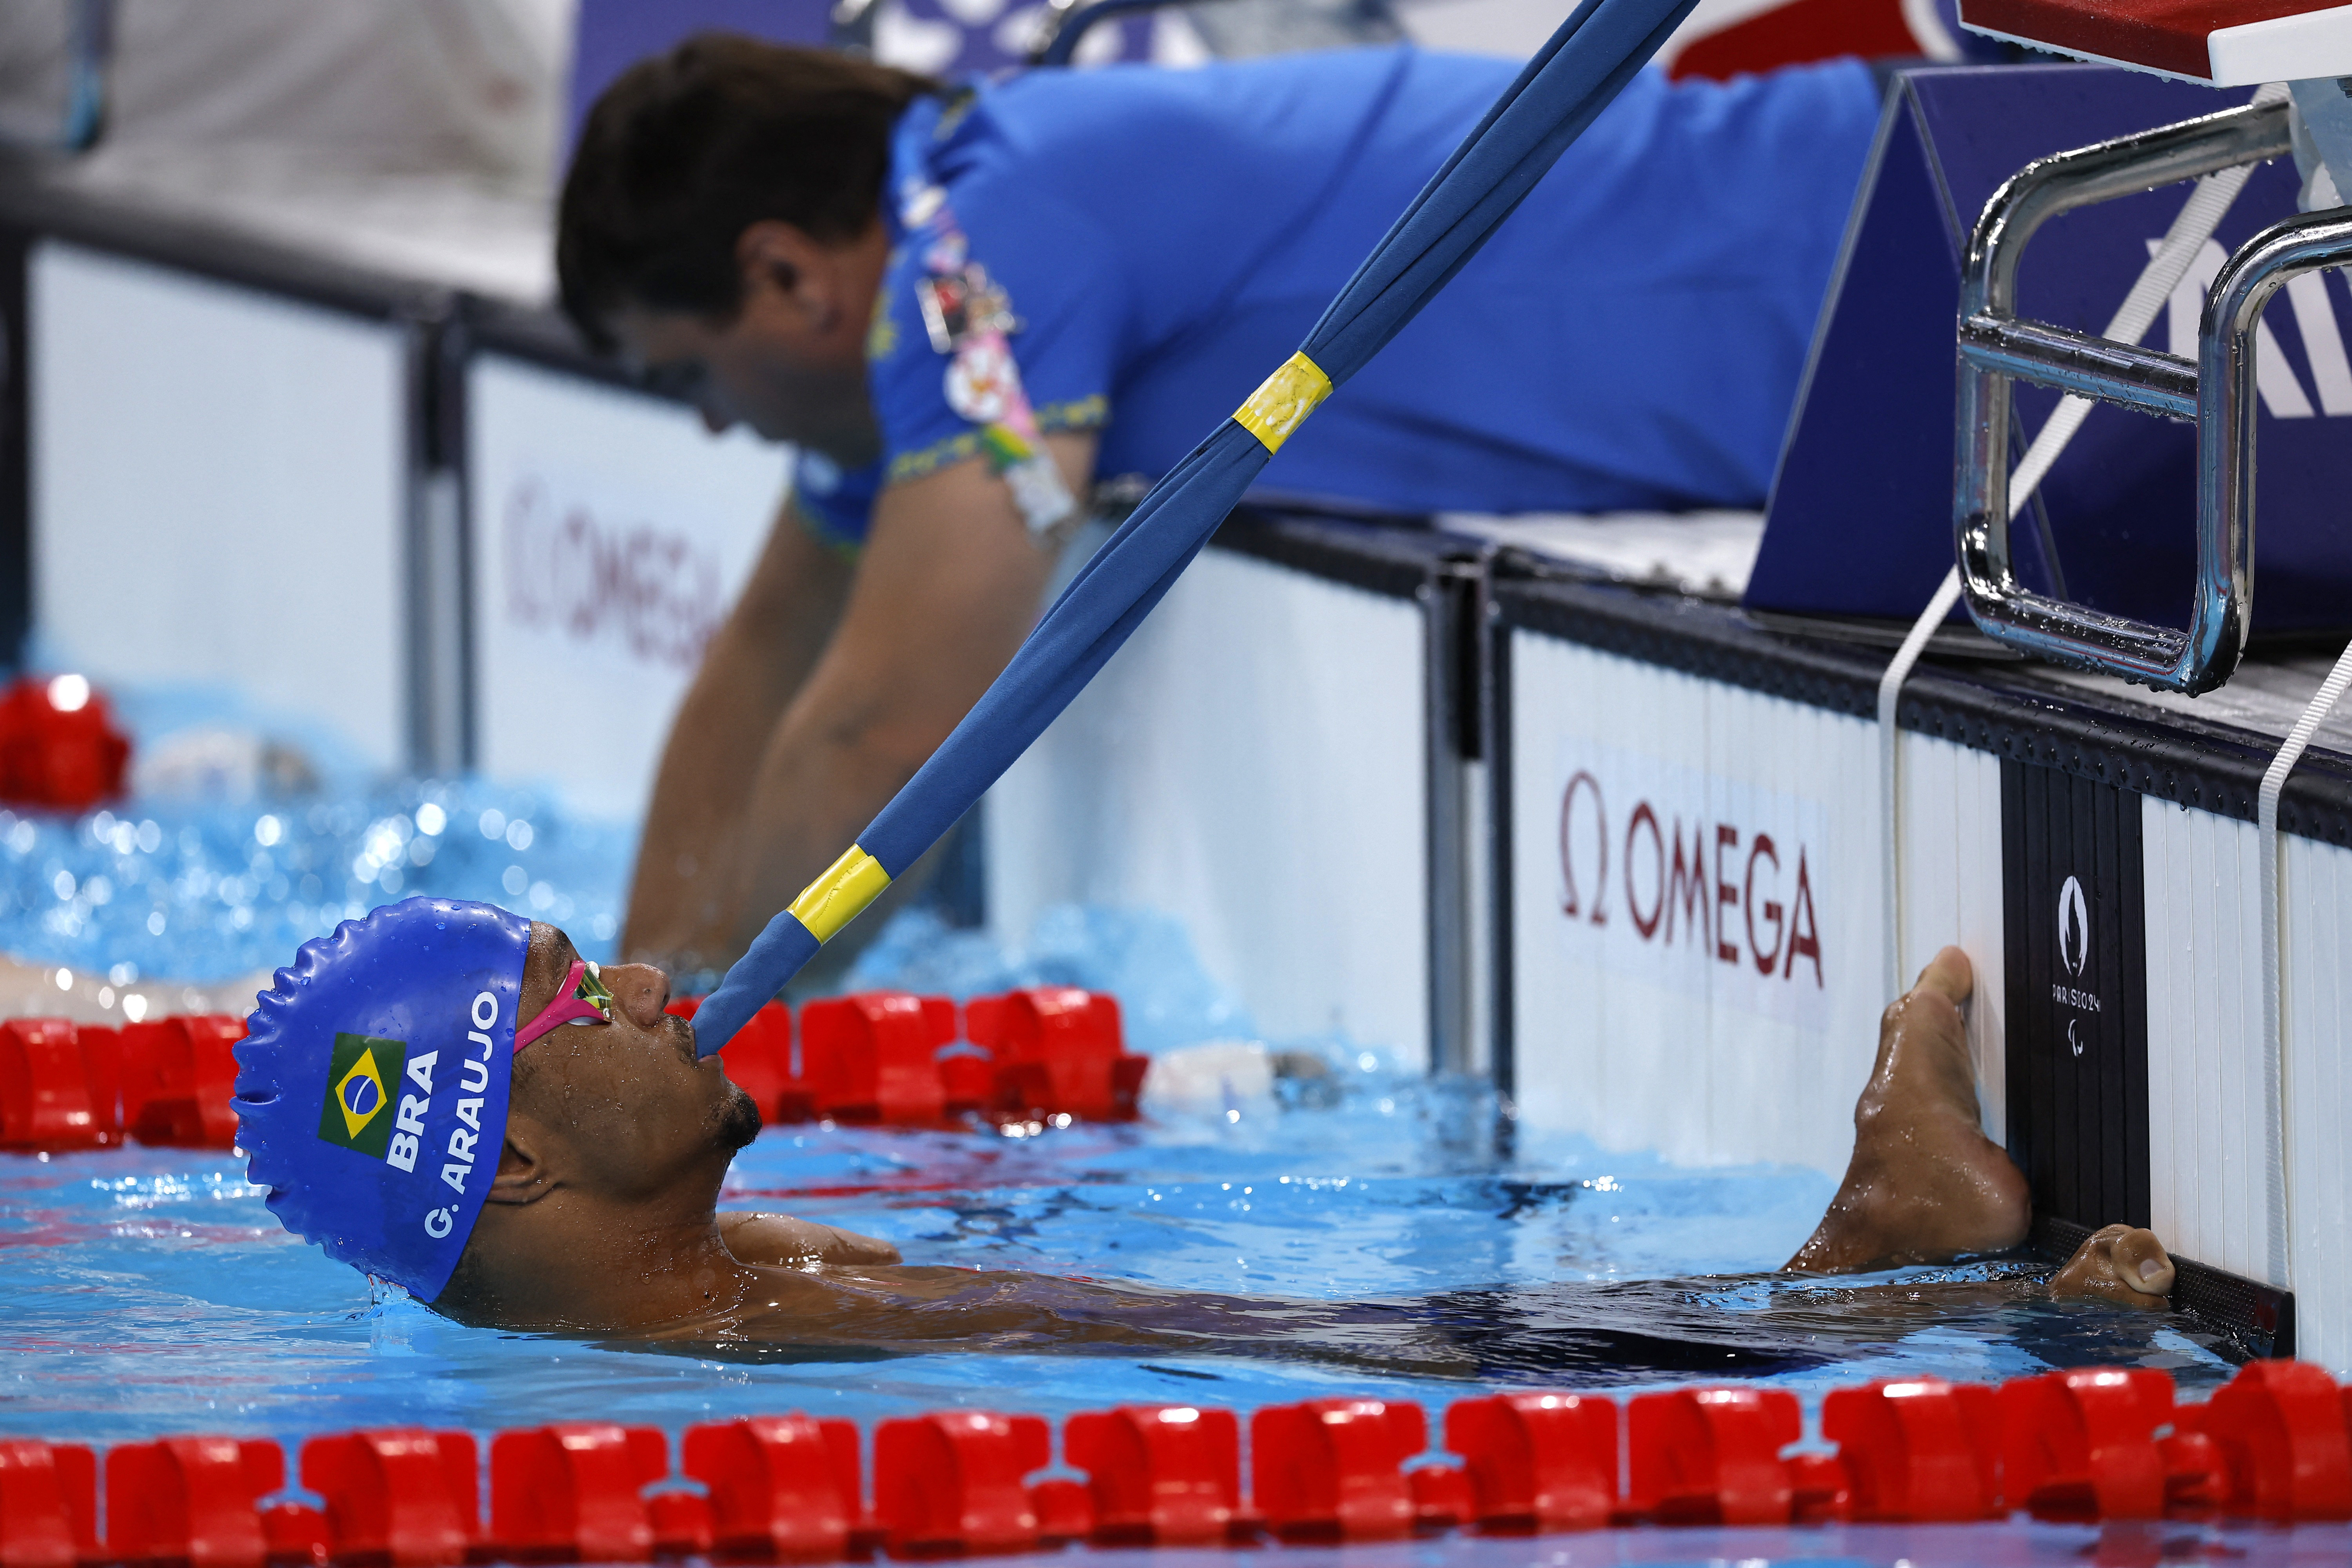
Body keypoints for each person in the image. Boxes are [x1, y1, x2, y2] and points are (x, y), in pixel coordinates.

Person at [554, 36, 1887, 974]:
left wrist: (679, 1067)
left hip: (1915, 250)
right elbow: (766, 648)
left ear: (786, 275)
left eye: (690, 373)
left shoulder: (980, 252)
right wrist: (631, 991)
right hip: (1867, 305)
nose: (715, 424)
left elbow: (886, 727)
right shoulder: (960, 218)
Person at [235, 899, 2182, 1378]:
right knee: (1384, 1356)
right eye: (580, 995)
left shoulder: (760, 1280)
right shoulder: (763, 1343)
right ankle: (1908, 1278)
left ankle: (1891, 1258)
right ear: (496, 1164)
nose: (660, 977)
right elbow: (1350, 1364)